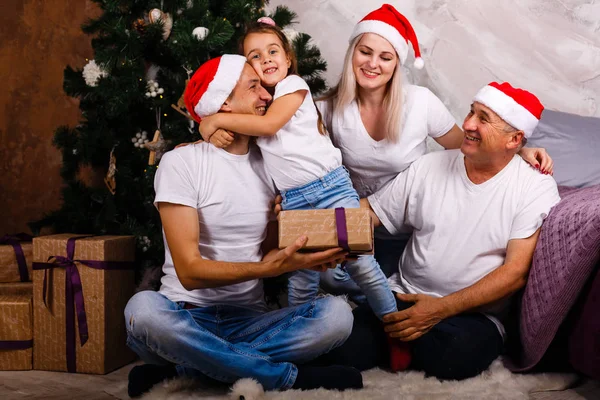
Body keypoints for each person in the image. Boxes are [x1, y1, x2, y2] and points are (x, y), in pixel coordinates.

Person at [123, 54, 363, 398]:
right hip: (184, 316)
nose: (267, 96)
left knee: (337, 316)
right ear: (223, 102)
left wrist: (308, 256)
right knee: (143, 311)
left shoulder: (271, 167)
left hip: (250, 321)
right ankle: (284, 377)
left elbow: (268, 251)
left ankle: (192, 368)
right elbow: (190, 272)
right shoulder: (182, 162)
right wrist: (268, 268)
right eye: (254, 87)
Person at [315, 81, 561, 380]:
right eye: (471, 112)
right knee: (342, 349)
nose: (468, 123)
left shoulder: (534, 186)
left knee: (455, 354)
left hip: (469, 315)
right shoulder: (429, 167)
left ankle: (401, 343)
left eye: (483, 119)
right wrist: (302, 219)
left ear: (514, 140)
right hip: (401, 297)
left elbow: (515, 272)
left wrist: (439, 309)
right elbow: (368, 213)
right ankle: (401, 337)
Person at [315, 4, 554, 294]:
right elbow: (312, 175)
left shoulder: (420, 103)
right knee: (329, 279)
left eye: (385, 57)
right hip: (356, 219)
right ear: (352, 52)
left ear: (396, 64)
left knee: (396, 290)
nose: (372, 64)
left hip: (407, 234)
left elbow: (467, 146)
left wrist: (518, 152)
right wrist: (297, 217)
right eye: (365, 52)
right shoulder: (325, 110)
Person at [196, 18, 398, 321]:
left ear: (288, 58)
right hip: (295, 201)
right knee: (301, 277)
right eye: (255, 56)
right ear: (248, 67)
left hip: (331, 188)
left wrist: (213, 121)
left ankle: (394, 326)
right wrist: (206, 134)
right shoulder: (259, 104)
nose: (266, 59)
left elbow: (269, 126)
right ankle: (297, 331)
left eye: (273, 51)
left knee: (361, 264)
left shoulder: (293, 86)